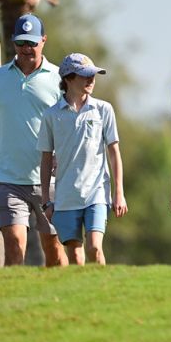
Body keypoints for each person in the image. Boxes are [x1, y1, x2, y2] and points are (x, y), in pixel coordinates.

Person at [0, 14, 66, 267]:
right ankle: (14, 303)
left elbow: (69, 126)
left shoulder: (59, 79)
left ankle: (60, 302)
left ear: (43, 41)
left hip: (51, 181)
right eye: (21, 42)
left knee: (54, 249)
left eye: (32, 42)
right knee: (14, 247)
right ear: (13, 43)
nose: (27, 48)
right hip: (9, 180)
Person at [39, 53, 127, 266]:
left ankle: (103, 291)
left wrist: (119, 193)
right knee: (75, 256)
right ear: (68, 78)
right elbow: (45, 159)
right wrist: (45, 201)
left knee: (94, 248)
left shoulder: (103, 110)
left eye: (93, 76)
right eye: (85, 76)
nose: (91, 80)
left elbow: (114, 152)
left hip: (96, 192)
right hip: (66, 196)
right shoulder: (51, 115)